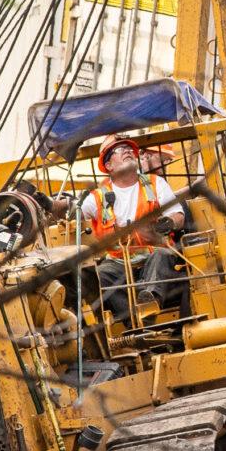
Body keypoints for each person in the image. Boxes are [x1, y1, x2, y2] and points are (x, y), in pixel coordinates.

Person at [80, 135, 186, 321]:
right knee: (99, 276)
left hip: (155, 254)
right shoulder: (97, 197)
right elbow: (73, 216)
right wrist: (53, 206)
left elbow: (178, 215)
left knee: (163, 255)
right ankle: (132, 318)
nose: (128, 151)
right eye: (119, 150)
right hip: (119, 263)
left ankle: (149, 303)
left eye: (129, 149)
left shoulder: (155, 183)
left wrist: (169, 222)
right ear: (109, 166)